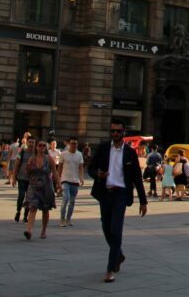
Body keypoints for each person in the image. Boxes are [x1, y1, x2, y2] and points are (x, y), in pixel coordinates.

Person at [89, 119, 147, 283]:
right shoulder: (103, 148)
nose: (115, 133)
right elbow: (91, 168)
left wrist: (143, 201)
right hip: (105, 193)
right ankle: (119, 254)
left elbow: (137, 177)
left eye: (118, 131)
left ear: (123, 133)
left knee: (116, 230)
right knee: (106, 228)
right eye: (113, 131)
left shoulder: (129, 152)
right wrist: (97, 175)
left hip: (121, 194)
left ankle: (110, 268)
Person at [22, 141, 60, 240]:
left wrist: (59, 184)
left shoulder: (49, 159)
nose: (42, 147)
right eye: (40, 145)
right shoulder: (32, 159)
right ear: (36, 147)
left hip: (46, 187)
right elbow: (27, 173)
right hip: (34, 186)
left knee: (45, 209)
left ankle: (43, 231)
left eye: (44, 146)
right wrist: (28, 168)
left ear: (46, 148)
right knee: (33, 207)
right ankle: (29, 231)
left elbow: (55, 173)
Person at [59, 137, 84, 227]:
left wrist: (81, 178)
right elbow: (60, 167)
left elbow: (81, 167)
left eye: (75, 144)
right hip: (65, 179)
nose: (74, 145)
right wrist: (58, 178)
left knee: (72, 201)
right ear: (69, 144)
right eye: (72, 143)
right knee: (66, 198)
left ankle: (68, 219)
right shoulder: (63, 154)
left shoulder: (79, 154)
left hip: (75, 180)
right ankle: (62, 219)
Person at [9, 136, 32, 223]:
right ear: (27, 143)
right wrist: (14, 177)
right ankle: (18, 211)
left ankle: (26, 216)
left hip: (31, 180)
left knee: (29, 198)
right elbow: (16, 165)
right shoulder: (22, 152)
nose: (31, 144)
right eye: (30, 142)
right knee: (21, 196)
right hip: (21, 178)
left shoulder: (36, 153)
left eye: (33, 142)